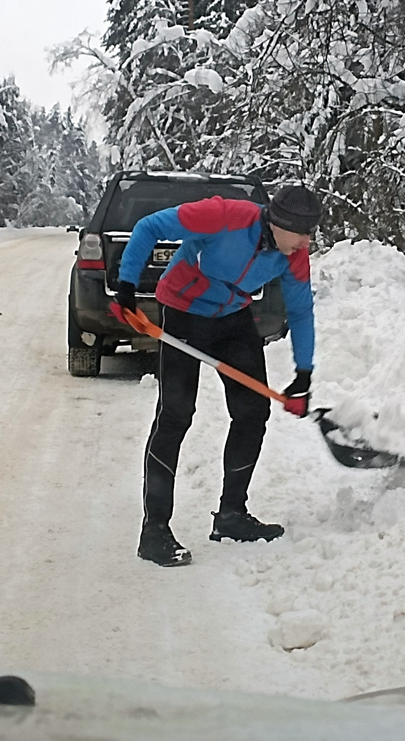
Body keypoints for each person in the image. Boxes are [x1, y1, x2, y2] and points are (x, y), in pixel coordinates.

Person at [111, 184, 322, 567]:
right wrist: (127, 287)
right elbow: (148, 227)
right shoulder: (224, 216)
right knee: (175, 415)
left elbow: (302, 311)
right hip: (183, 311)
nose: (307, 241)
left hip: (232, 318)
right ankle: (154, 530)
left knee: (253, 412)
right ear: (280, 222)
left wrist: (304, 371)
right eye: (303, 231)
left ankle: (231, 516)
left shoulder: (294, 254)